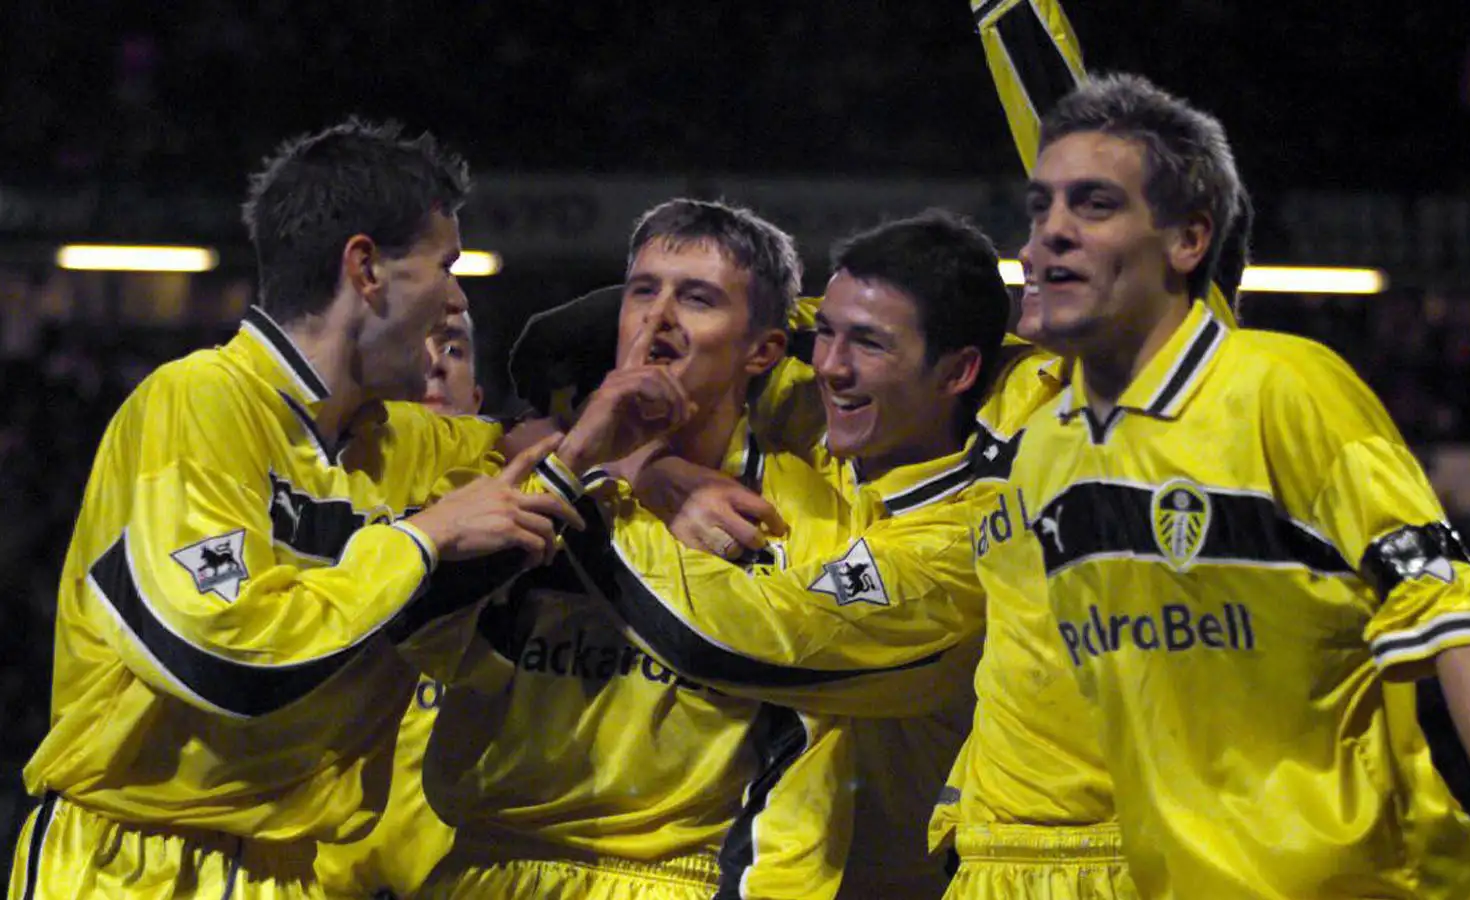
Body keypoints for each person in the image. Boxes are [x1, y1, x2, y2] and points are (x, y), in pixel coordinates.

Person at [1003, 71, 1470, 899]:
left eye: (1094, 205)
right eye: (1040, 207)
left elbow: (1450, 601)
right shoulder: (1046, 453)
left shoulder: (1286, 389)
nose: (1050, 234)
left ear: (1187, 242)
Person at [8, 119, 579, 900]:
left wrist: (673, 471)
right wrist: (418, 541)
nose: (456, 295)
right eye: (444, 265)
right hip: (133, 864)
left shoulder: (397, 439)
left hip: (293, 873)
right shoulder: (196, 403)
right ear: (366, 268)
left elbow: (551, 462)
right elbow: (222, 659)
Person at [552, 211, 1024, 895]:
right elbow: (571, 351)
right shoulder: (810, 429)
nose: (829, 366)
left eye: (867, 344)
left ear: (958, 372)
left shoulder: (962, 544)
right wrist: (645, 469)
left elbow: (745, 636)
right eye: (824, 334)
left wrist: (590, 502)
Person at [418, 198, 855, 900]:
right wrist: (600, 461)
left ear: (763, 350)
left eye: (699, 299)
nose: (658, 321)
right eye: (643, 291)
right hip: (477, 871)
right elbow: (412, 630)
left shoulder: (796, 517)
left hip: (665, 881)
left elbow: (804, 772)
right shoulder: (506, 474)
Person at [313, 310, 485, 899]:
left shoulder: (525, 515)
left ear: (479, 398)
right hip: (312, 870)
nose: (435, 362)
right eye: (422, 342)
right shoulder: (319, 497)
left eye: (455, 351)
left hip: (457, 875)